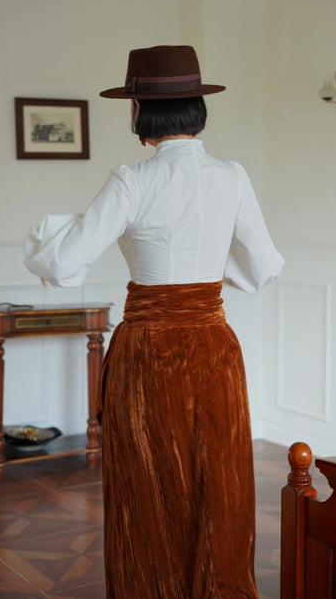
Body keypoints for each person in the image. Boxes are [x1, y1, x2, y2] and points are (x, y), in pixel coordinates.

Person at [23, 45, 284, 599]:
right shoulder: (232, 177)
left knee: (149, 487)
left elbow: (65, 261)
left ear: (140, 108)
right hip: (213, 346)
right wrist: (208, 281)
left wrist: (46, 251)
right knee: (220, 484)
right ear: (195, 106)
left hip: (148, 352)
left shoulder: (132, 181)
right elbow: (262, 270)